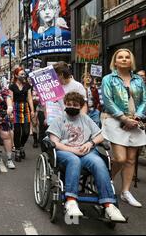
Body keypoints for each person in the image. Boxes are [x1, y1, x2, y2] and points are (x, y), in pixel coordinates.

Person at [46, 92, 126, 221]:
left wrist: (91, 143)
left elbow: (100, 135)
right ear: (65, 104)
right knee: (74, 160)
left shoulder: (85, 118)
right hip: (66, 152)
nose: (72, 106)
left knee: (98, 163)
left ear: (81, 106)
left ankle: (109, 204)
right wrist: (73, 150)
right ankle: (71, 201)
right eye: (69, 104)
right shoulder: (59, 119)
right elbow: (54, 142)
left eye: (75, 105)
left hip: (86, 151)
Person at [102, 49, 146, 208]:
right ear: (115, 62)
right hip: (116, 121)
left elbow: (144, 100)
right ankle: (106, 180)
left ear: (131, 61)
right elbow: (108, 101)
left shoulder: (138, 80)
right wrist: (123, 118)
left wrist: (137, 117)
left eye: (127, 57)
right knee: (120, 158)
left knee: (130, 160)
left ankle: (126, 191)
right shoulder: (108, 79)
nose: (123, 59)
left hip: (135, 122)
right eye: (120, 57)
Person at [9, 67, 34, 158]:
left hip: (25, 108)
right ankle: (18, 150)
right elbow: (11, 99)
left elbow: (30, 98)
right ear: (16, 75)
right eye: (21, 74)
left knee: (26, 131)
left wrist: (32, 110)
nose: (23, 75)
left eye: (24, 74)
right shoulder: (12, 86)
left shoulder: (27, 85)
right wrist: (11, 112)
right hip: (15, 108)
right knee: (17, 131)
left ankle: (21, 146)